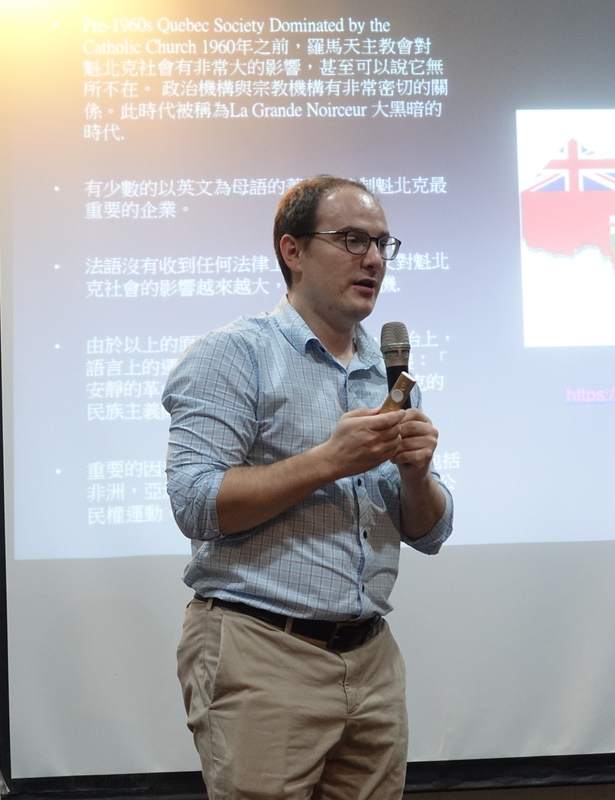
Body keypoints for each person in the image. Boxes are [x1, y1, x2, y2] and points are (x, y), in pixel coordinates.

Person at [161, 174, 454, 800]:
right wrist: (328, 460)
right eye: (351, 240)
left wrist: (417, 474)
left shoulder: (389, 374)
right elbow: (195, 502)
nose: (373, 259)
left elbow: (429, 533)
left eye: (382, 244)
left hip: (371, 656)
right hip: (263, 650)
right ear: (292, 251)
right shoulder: (234, 355)